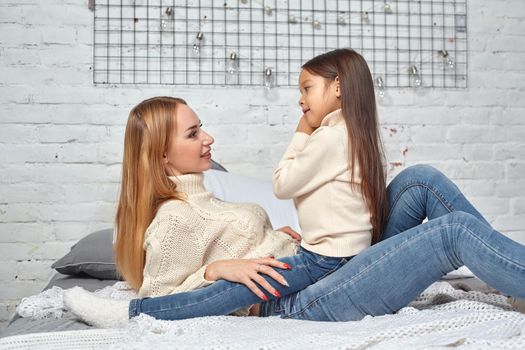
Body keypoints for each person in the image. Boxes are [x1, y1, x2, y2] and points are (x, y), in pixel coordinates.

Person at [65, 49, 525, 327]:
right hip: (304, 301)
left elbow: (255, 235)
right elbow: (160, 297)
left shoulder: (208, 199)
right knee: (453, 231)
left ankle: (510, 277)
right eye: (192, 134)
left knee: (421, 181)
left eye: (201, 127)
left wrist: (278, 240)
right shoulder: (173, 219)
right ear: (162, 158)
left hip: (322, 268)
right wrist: (216, 270)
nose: (208, 138)